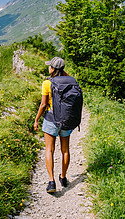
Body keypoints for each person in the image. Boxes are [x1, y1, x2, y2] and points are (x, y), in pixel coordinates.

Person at [34, 56, 72, 193]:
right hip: (66, 121)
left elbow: (43, 104)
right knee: (65, 150)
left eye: (49, 66)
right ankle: (63, 177)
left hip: (51, 119)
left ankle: (51, 182)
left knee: (49, 150)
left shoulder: (47, 83)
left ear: (52, 69)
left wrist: (36, 119)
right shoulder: (70, 81)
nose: (48, 67)